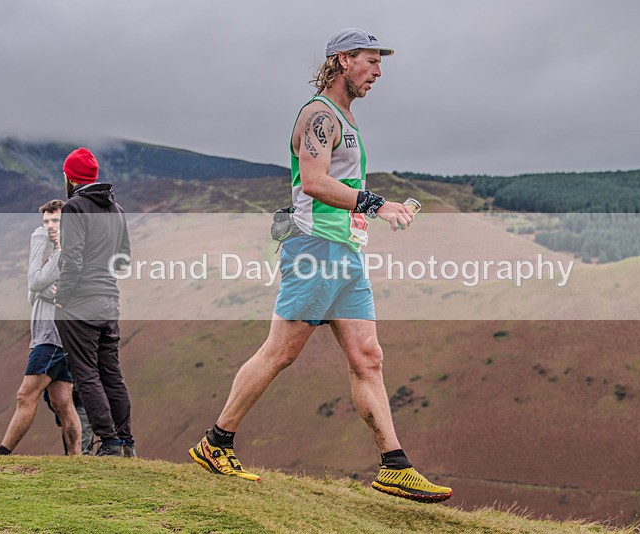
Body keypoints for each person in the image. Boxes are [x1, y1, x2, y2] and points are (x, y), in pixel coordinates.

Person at [189, 28, 453, 502]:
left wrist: (373, 212)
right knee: (281, 352)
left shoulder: (345, 118)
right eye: (370, 61)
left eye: (379, 63)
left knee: (367, 357)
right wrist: (378, 205)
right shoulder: (318, 114)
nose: (378, 72)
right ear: (341, 61)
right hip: (315, 248)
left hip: (345, 253)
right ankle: (216, 441)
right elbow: (312, 182)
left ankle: (394, 465)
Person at [54, 148, 135, 458]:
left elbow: (72, 260)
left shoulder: (74, 208)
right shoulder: (116, 209)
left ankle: (109, 443)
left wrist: (62, 299)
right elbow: (124, 260)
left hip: (80, 304)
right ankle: (126, 442)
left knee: (86, 374)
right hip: (109, 302)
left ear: (70, 177)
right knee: (112, 373)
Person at [0, 200, 82, 456]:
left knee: (25, 395)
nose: (49, 227)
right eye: (45, 222)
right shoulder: (53, 251)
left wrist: (40, 284)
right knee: (62, 402)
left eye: (55, 221)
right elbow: (34, 289)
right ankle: (76, 459)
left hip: (52, 337)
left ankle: (2, 454)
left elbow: (34, 282)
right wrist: (45, 289)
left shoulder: (63, 254)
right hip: (53, 335)